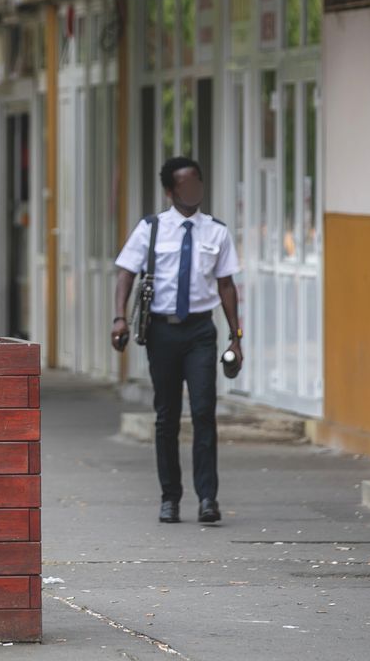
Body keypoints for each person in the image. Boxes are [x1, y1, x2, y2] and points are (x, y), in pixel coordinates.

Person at [111, 157, 242, 525]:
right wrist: (120, 317)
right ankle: (170, 497)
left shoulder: (216, 232)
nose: (193, 191)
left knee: (203, 412)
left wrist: (237, 337)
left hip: (200, 331)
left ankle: (207, 499)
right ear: (170, 191)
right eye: (184, 185)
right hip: (163, 332)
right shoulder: (150, 229)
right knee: (167, 416)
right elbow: (125, 273)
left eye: (197, 183)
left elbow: (227, 285)